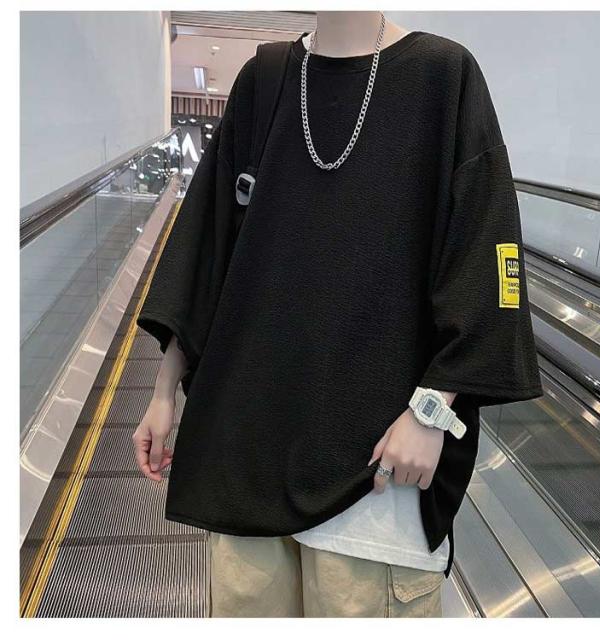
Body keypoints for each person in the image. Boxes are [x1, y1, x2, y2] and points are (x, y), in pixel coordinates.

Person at [133, 11, 543, 618]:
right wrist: (163, 390)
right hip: (245, 461)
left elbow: (486, 251)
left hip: (379, 476)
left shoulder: (442, 75)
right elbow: (208, 245)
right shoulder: (264, 79)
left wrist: (433, 411)